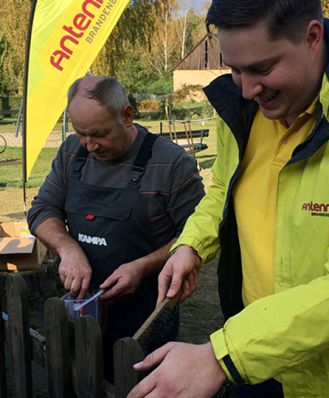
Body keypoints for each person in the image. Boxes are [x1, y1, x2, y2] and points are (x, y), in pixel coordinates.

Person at [128, 1, 329, 397]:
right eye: (234, 69)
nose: (247, 88)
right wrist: (191, 245)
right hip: (256, 356)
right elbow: (224, 189)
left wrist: (222, 356)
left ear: (311, 37)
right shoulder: (247, 109)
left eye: (262, 68)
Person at [27, 76, 205, 376]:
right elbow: (41, 211)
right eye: (81, 133)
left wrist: (142, 267)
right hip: (82, 311)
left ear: (127, 115)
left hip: (146, 315)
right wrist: (68, 249)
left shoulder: (172, 163)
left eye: (99, 134)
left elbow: (197, 237)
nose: (90, 144)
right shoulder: (72, 153)